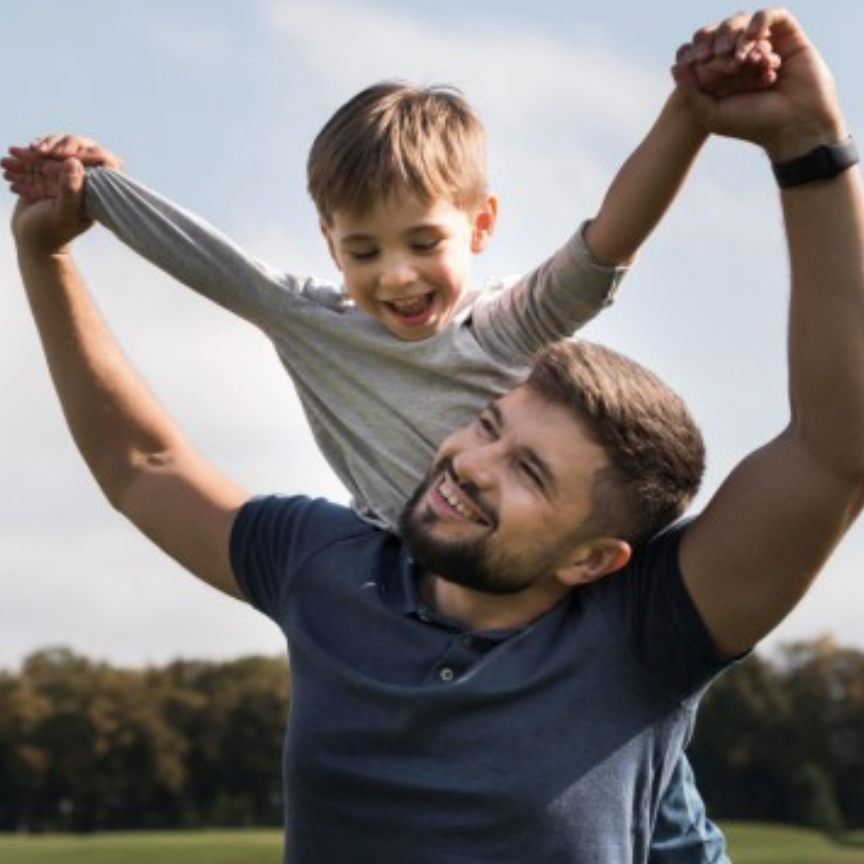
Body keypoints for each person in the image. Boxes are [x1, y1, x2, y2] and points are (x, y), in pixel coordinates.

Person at [12, 6, 860, 861]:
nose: (465, 461)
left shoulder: (647, 631)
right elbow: (142, 464)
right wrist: (46, 256)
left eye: (529, 470)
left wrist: (810, 148)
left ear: (595, 557)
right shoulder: (326, 567)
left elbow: (836, 449)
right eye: (487, 424)